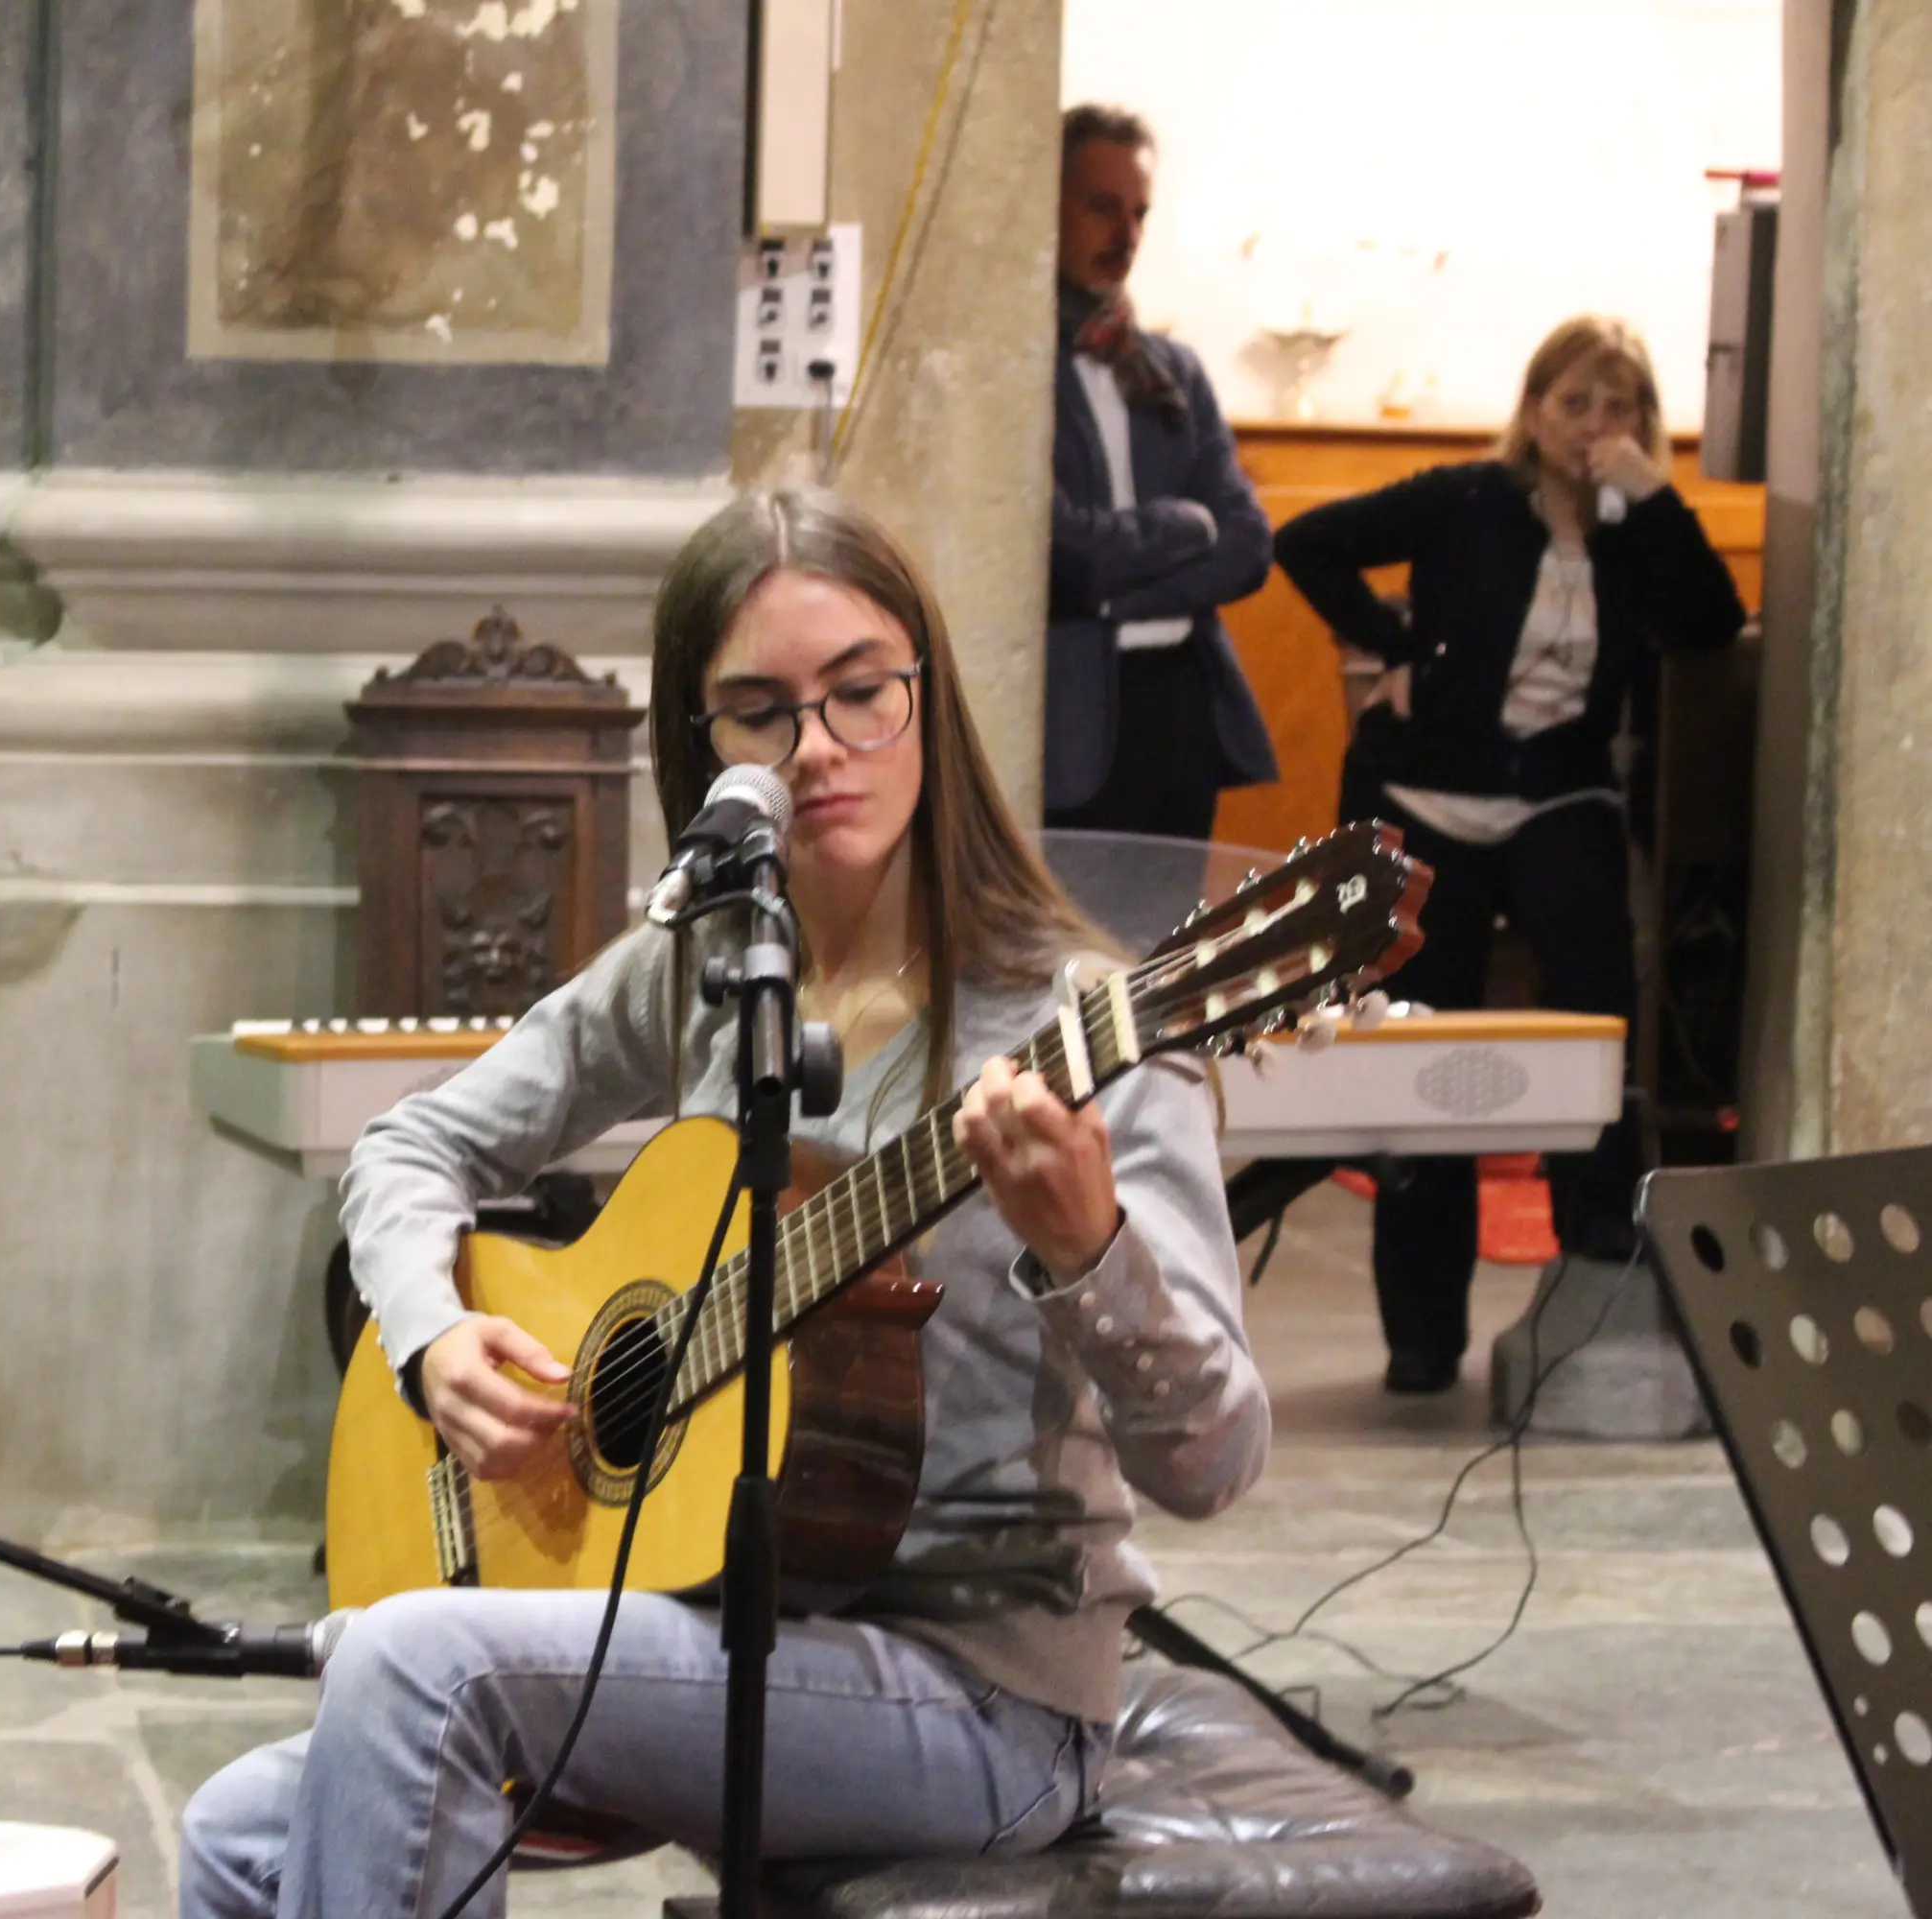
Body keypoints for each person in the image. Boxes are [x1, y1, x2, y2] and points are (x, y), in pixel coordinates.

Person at [180, 490, 1268, 1918]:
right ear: (699, 754)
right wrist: (435, 1340)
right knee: (236, 1828)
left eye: (859, 693)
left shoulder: (1080, 1030)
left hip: (981, 1695)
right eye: (758, 713)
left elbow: (1217, 1458)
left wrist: (1091, 1248)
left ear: (926, 697)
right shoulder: (708, 963)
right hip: (729, 1621)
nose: (816, 750)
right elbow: (408, 1148)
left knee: (416, 1666)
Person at [1273, 316, 1747, 1395]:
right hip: (1428, 789)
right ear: (1532, 413)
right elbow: (1303, 545)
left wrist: (1657, 497)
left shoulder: (1636, 524)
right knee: (1424, 1051)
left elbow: (1711, 622)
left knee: (1590, 1003)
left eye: (1616, 403)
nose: (1592, 424)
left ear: (1643, 420)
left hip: (1556, 792)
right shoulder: (1466, 499)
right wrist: (1394, 648)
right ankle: (1423, 1334)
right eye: (1572, 401)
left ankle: (1594, 1265)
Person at [1043, 104, 1278, 840]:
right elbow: (1061, 553)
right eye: (1103, 208)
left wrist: (1119, 601)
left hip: (1181, 703)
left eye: (1139, 214)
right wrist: (1182, 527)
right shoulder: (1016, 372)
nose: (1127, 237)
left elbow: (1246, 545)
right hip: (1072, 712)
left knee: (1177, 946)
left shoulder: (1170, 371)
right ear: (1047, 206)